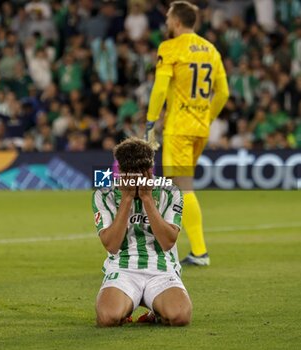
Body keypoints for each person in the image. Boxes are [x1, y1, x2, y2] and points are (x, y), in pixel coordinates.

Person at [145, 1, 229, 266]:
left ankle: (200, 251)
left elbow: (159, 89)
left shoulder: (170, 48)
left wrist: (150, 122)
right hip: (199, 128)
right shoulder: (211, 50)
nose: (167, 23)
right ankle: (164, 246)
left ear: (177, 22)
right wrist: (206, 116)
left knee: (182, 186)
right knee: (170, 186)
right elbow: (223, 93)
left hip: (179, 129)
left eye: (169, 18)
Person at [92, 137, 192, 326]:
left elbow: (168, 242)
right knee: (107, 318)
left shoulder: (170, 192)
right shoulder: (104, 195)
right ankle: (127, 307)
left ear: (150, 170)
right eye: (128, 174)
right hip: (123, 270)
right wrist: (127, 199)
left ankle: (156, 311)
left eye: (141, 174)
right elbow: (112, 246)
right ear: (120, 171)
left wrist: (147, 199)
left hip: (162, 271)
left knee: (180, 317)